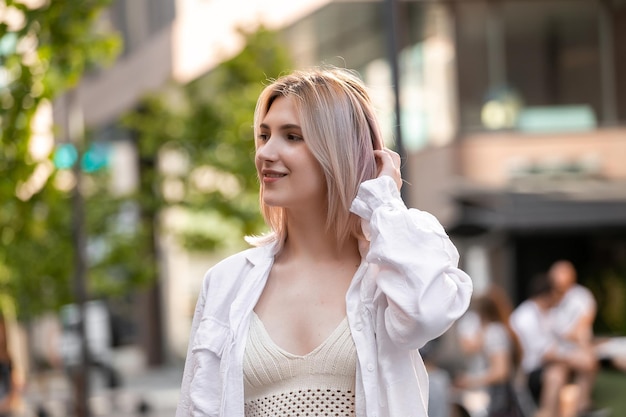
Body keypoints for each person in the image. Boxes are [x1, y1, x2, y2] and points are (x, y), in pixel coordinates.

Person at [175, 67, 473, 417]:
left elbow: (427, 314)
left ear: (339, 150)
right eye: (264, 135)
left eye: (292, 136)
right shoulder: (227, 282)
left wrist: (384, 202)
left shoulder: (386, 271)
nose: (265, 153)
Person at [509, 273, 597, 417]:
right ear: (547, 294)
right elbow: (546, 354)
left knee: (585, 361)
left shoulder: (549, 312)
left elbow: (564, 336)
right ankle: (547, 412)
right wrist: (575, 359)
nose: (559, 298)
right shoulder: (525, 317)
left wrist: (582, 349)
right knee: (556, 374)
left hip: (546, 365)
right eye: (557, 293)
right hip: (527, 373)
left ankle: (582, 407)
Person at [455, 286, 522, 417]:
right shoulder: (497, 330)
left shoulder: (494, 332)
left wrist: (471, 381)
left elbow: (500, 372)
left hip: (493, 398)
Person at [548, 260, 599, 416]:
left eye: (563, 272)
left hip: (578, 348)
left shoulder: (582, 296)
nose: (559, 277)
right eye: (557, 273)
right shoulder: (548, 297)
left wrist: (568, 335)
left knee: (588, 362)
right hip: (556, 351)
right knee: (555, 375)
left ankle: (582, 407)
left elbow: (582, 326)